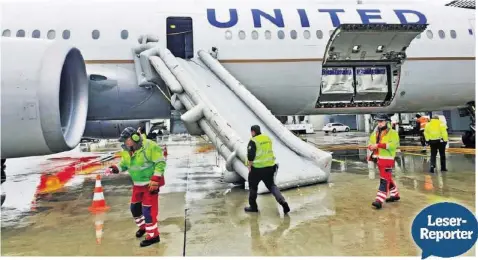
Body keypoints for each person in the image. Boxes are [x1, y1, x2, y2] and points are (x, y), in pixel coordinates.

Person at [105, 127, 166, 247]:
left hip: (150, 185)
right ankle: (144, 227)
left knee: (148, 211)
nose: (124, 143)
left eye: (126, 140)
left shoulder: (150, 146)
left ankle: (154, 236)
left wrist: (155, 180)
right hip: (137, 185)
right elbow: (124, 164)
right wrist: (116, 169)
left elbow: (160, 162)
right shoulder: (127, 150)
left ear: (135, 137)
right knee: (135, 209)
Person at [244, 125, 290, 214]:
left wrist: (249, 166)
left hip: (257, 169)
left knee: (253, 187)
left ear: (253, 132)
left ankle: (253, 207)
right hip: (269, 167)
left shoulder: (253, 141)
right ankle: (283, 202)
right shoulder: (267, 138)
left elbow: (250, 156)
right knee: (272, 186)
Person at [368, 114, 401, 210]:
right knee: (387, 178)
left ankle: (379, 200)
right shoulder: (375, 133)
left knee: (384, 180)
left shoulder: (393, 133)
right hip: (378, 159)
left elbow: (393, 145)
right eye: (378, 121)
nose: (379, 123)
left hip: (387, 160)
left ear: (387, 121)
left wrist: (378, 145)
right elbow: (370, 143)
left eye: (381, 121)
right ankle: (395, 195)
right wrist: (371, 146)